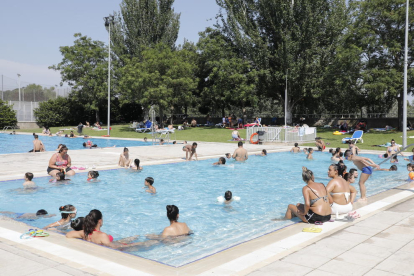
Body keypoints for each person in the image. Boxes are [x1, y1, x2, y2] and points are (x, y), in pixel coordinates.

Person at [66, 209, 150, 249]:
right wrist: (133, 245)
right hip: (114, 244)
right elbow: (114, 247)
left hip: (109, 241)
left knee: (128, 239)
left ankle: (134, 237)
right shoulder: (102, 235)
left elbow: (68, 234)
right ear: (100, 221)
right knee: (145, 243)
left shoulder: (85, 233)